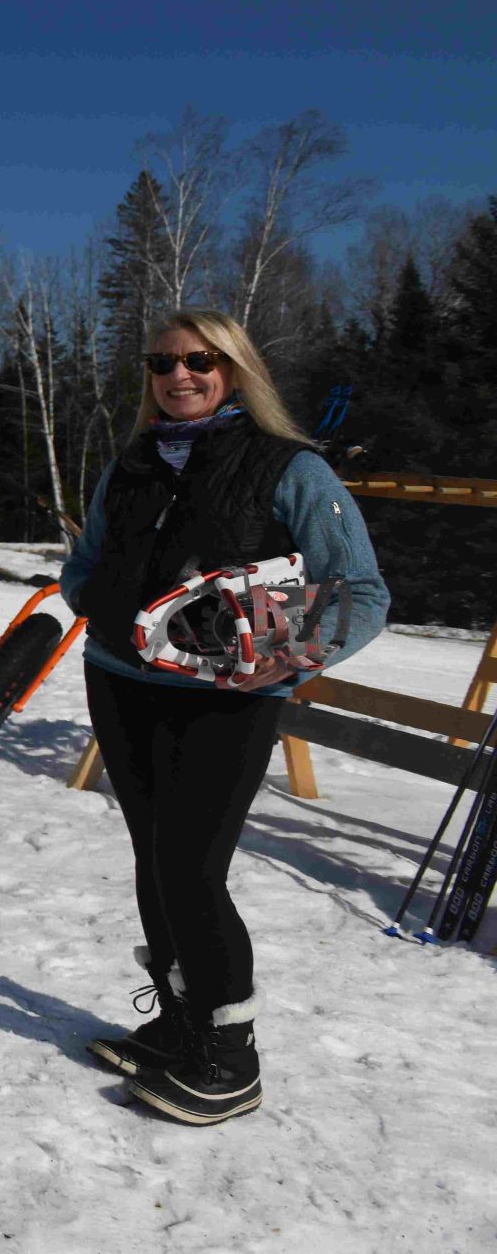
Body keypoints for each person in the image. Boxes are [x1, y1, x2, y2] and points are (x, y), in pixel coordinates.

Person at [60, 309, 387, 1126]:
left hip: (227, 700)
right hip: (122, 681)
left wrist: (288, 654)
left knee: (192, 867)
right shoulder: (132, 462)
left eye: (200, 361)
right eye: (163, 361)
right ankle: (180, 1025)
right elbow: (84, 562)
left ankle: (230, 1056)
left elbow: (365, 593)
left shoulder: (291, 469)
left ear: (234, 369)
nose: (180, 375)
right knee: (153, 856)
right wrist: (106, 605)